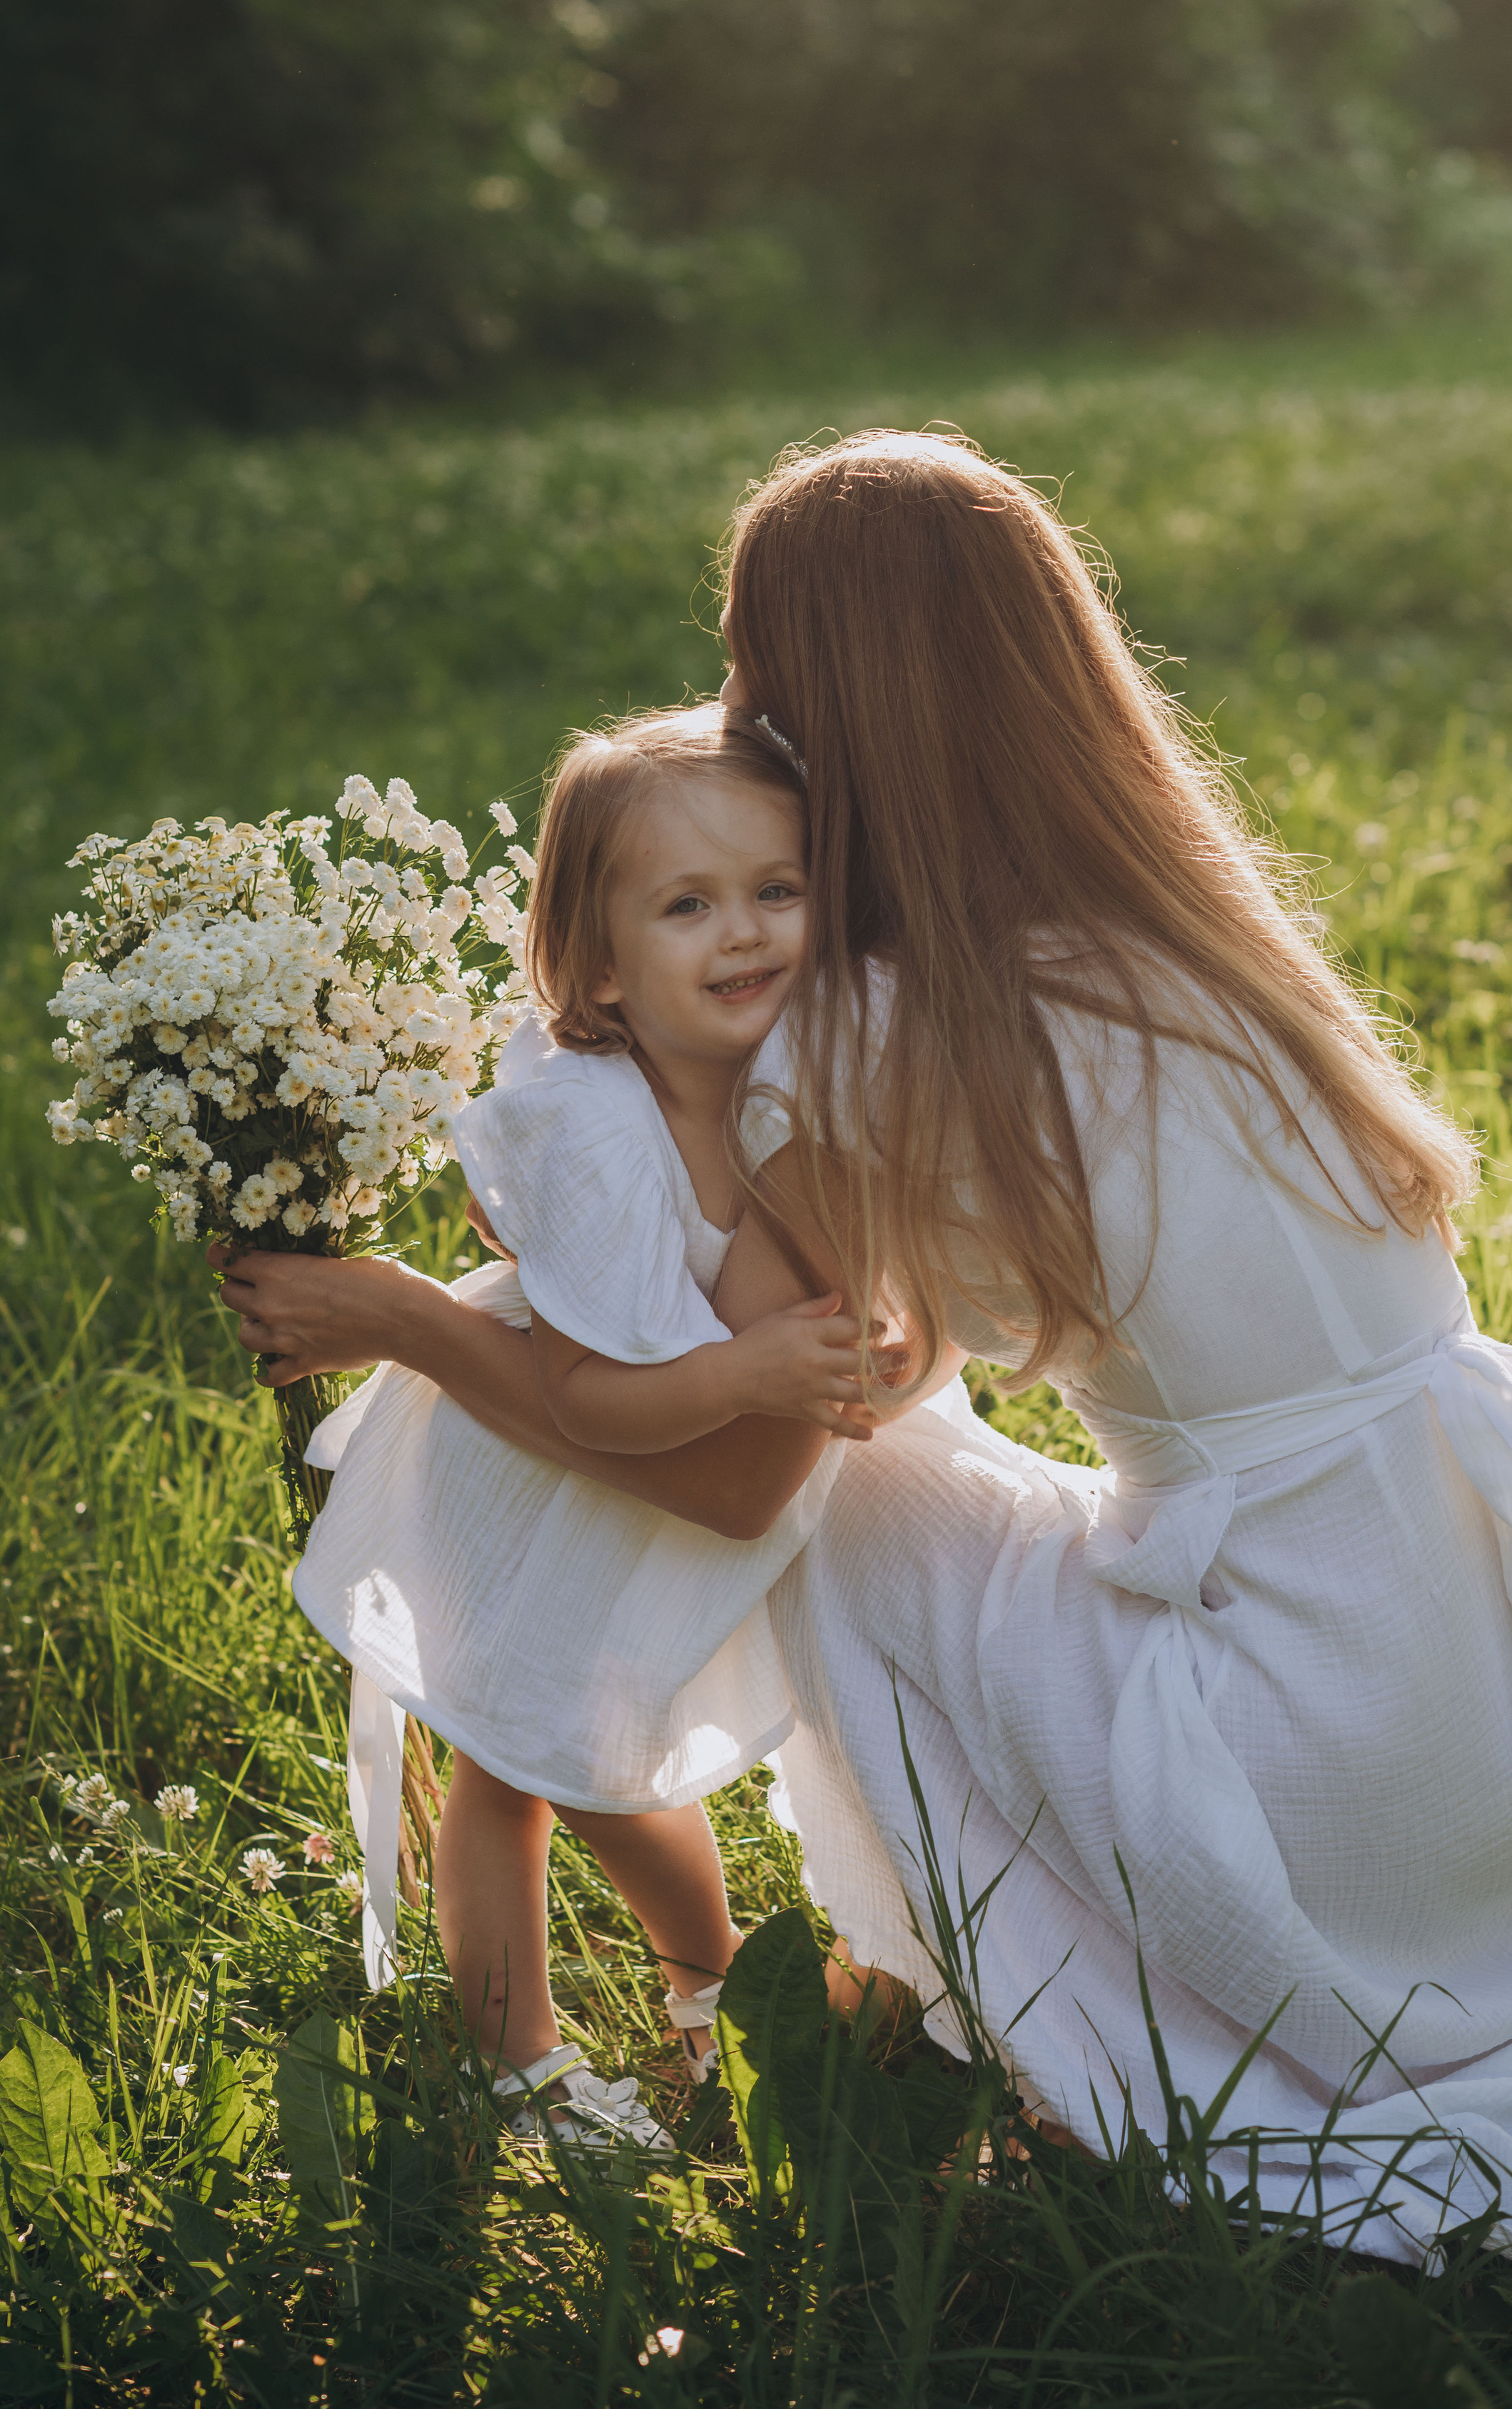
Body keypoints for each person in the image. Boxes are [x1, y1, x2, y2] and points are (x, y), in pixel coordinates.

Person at [700, 428, 1512, 2264]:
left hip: (1301, 1784)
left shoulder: (871, 1027)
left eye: (752, 670)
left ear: (806, 711)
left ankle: (965, 1990)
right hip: (1485, 1724)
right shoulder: (1200, 936)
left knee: (850, 1495)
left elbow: (866, 1374)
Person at [285, 704, 877, 2154]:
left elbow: (807, 1293)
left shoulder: (782, 1086)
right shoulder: (596, 1126)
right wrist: (747, 1376)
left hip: (655, 1489)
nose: (743, 934)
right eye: (688, 906)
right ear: (598, 962)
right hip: (541, 1467)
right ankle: (521, 2066)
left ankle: (711, 1995)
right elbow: (592, 1399)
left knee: (608, 1758)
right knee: (512, 1766)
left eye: (775, 892)